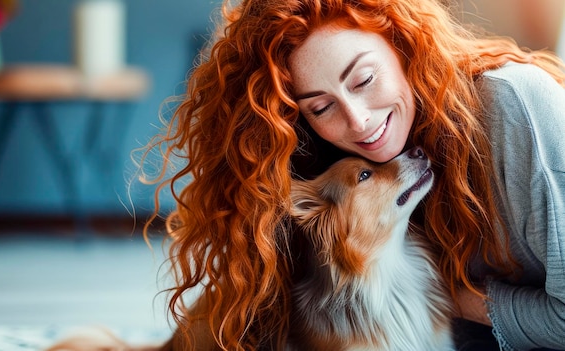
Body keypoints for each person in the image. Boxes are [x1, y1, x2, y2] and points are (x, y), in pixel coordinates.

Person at [138, 0, 565, 350]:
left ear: (401, 44)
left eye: (363, 78)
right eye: (321, 107)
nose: (358, 122)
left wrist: (455, 300)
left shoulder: (517, 104)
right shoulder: (340, 162)